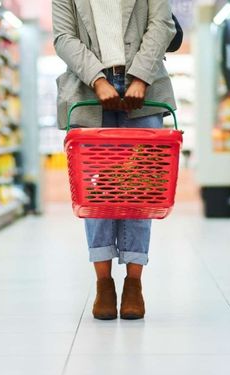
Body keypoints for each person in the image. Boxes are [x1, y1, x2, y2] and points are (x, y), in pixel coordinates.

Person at [53, 0, 177, 320]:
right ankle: (103, 283)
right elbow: (64, 36)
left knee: (140, 188)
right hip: (87, 89)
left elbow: (162, 25)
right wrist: (97, 79)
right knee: (96, 193)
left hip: (144, 89)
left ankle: (134, 283)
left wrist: (140, 77)